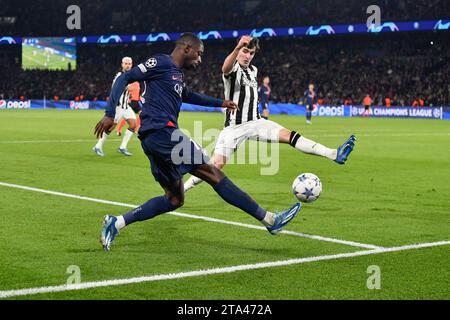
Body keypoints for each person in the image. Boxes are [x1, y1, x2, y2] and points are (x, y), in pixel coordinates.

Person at [94, 33, 301, 252]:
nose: (200, 60)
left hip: (153, 139)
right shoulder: (161, 62)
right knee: (213, 173)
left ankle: (115, 223)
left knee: (174, 199)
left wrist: (220, 102)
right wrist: (109, 113)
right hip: (163, 132)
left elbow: (188, 95)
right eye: (199, 54)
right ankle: (270, 220)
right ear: (186, 48)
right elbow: (124, 78)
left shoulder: (176, 75)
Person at [184, 35, 356, 192]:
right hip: (235, 127)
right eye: (245, 51)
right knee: (217, 164)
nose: (247, 56)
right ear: (238, 52)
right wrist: (237, 47)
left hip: (257, 123)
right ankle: (184, 188)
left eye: (251, 53)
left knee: (289, 135)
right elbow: (225, 68)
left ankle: (333, 153)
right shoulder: (233, 70)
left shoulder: (254, 71)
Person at [93, 56, 139, 157]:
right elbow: (115, 88)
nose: (127, 65)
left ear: (132, 65)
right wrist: (127, 87)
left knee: (133, 124)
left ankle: (122, 147)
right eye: (125, 63)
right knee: (111, 126)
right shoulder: (120, 75)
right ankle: (98, 146)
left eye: (129, 64)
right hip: (118, 107)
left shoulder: (132, 75)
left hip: (126, 106)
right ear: (122, 65)